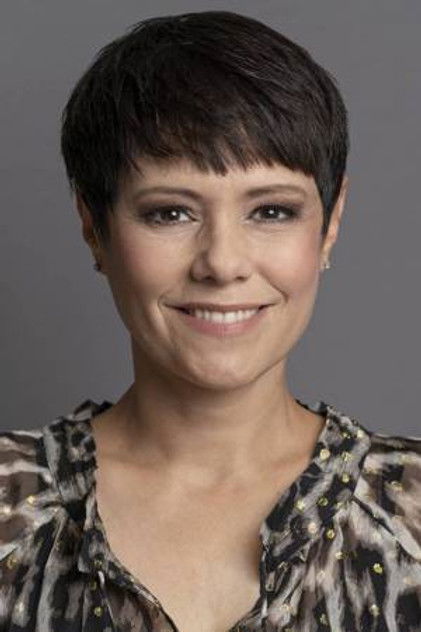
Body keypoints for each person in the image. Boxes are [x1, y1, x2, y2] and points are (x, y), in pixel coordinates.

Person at [0, 9, 420, 632]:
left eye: (272, 211)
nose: (222, 263)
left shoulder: (411, 514)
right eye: (170, 213)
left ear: (330, 224)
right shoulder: (9, 513)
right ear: (94, 227)